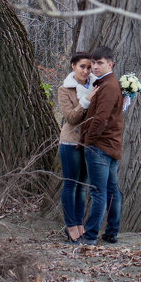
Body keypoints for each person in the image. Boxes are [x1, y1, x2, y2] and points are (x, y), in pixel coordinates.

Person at [79, 45, 124, 245]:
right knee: (111, 190)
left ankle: (89, 236)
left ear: (110, 64)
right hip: (110, 145)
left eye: (100, 63)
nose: (95, 67)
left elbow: (101, 119)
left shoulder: (108, 86)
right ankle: (111, 232)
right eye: (93, 63)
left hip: (100, 146)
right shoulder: (107, 83)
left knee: (99, 192)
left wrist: (88, 141)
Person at [57, 52, 93, 243]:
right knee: (70, 184)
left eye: (88, 67)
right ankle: (70, 226)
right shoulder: (65, 89)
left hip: (89, 143)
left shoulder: (95, 85)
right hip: (71, 142)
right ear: (73, 66)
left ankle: (80, 225)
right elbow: (71, 118)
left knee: (82, 187)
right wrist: (87, 101)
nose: (86, 71)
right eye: (82, 67)